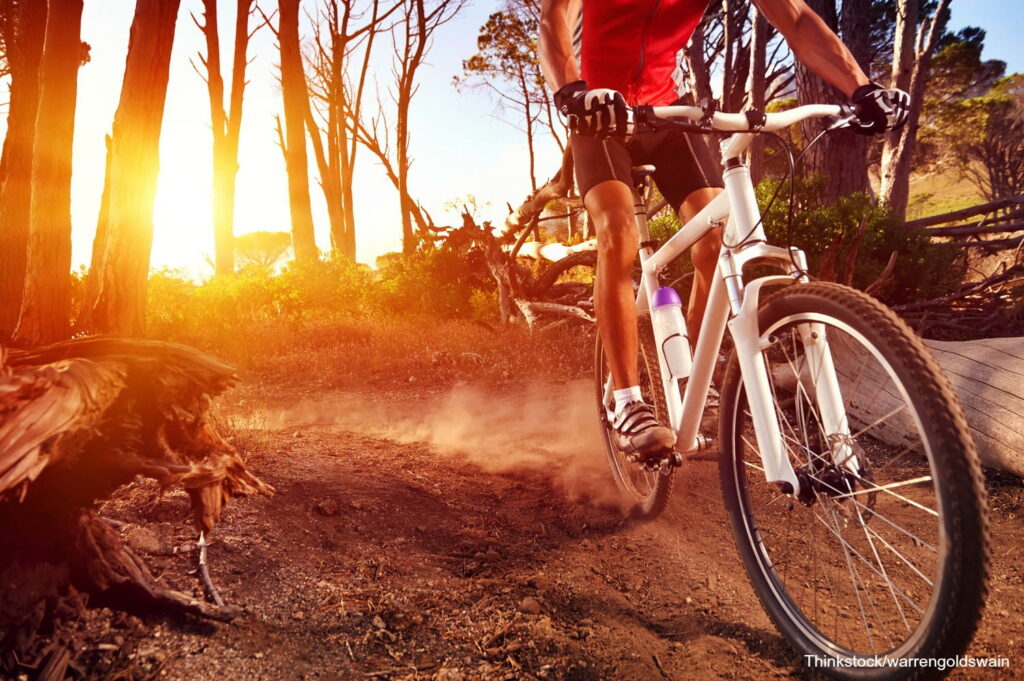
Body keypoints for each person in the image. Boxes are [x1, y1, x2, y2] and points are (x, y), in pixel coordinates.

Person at [539, 0, 909, 461]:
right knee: (619, 233)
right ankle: (627, 400)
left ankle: (693, 379)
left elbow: (795, 19)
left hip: (666, 112)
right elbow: (555, 16)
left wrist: (861, 87)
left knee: (716, 234)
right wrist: (571, 91)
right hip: (599, 112)